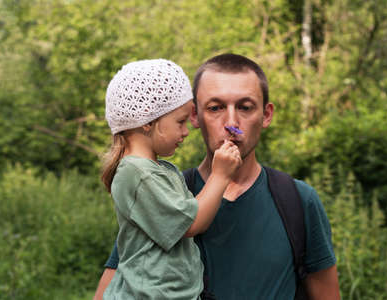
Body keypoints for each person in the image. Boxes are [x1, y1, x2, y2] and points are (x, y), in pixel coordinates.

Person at [94, 54, 340, 300]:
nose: (231, 122)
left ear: (266, 115)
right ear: (194, 116)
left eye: (245, 107)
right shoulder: (162, 192)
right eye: (215, 108)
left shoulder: (298, 201)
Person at [100, 59, 242, 299]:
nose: (186, 131)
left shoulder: (159, 170)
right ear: (147, 121)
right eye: (180, 121)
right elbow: (191, 223)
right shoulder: (136, 174)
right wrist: (221, 175)